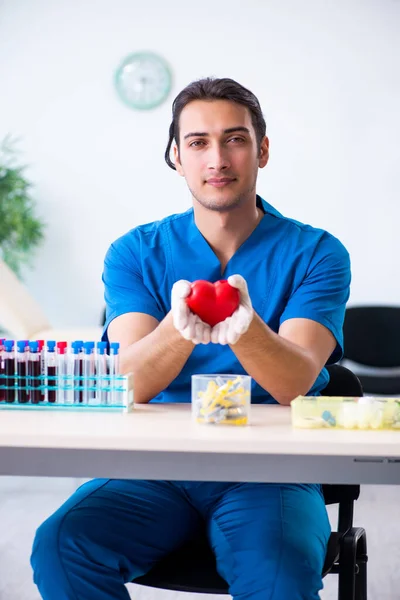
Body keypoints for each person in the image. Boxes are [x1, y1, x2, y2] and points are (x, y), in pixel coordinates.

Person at [31, 77, 350, 600]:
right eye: (198, 143)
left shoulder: (317, 253)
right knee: (62, 546)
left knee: (279, 576)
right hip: (153, 469)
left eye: (235, 139)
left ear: (262, 150)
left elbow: (296, 380)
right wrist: (179, 330)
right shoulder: (134, 252)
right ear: (176, 157)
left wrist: (246, 330)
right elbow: (129, 383)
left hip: (270, 473)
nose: (217, 159)